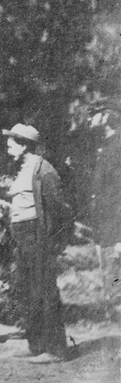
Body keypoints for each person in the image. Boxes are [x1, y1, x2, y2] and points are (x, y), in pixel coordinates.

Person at [3, 123, 71, 363]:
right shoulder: (23, 168)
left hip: (38, 236)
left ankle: (55, 350)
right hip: (22, 236)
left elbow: (59, 209)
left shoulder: (44, 170)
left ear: (24, 145)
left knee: (44, 291)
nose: (8, 146)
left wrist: (56, 242)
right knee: (28, 291)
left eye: (12, 142)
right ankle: (37, 345)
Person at [87, 104, 121, 309]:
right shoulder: (106, 146)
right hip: (104, 219)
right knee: (109, 266)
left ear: (107, 117)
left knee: (115, 265)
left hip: (114, 220)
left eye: (93, 114)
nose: (89, 119)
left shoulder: (117, 147)